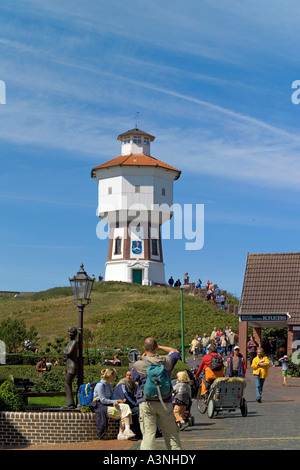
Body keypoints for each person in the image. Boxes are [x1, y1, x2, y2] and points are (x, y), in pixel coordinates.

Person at [131, 337, 182, 451]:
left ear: (144, 348)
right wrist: (159, 347)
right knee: (171, 433)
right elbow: (175, 352)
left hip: (146, 402)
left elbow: (135, 379)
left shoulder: (138, 365)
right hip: (165, 402)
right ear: (156, 347)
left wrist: (142, 359)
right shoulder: (166, 361)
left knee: (148, 434)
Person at [93, 367, 136, 440]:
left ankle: (124, 432)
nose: (115, 378)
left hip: (109, 405)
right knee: (125, 411)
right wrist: (116, 401)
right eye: (114, 376)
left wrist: (115, 402)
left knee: (125, 408)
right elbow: (103, 400)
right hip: (101, 407)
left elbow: (112, 397)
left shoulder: (109, 385)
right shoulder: (100, 385)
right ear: (110, 376)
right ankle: (123, 432)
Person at [113, 370, 141, 437]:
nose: (128, 377)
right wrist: (136, 404)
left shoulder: (133, 384)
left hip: (128, 405)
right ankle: (137, 432)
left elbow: (138, 394)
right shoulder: (123, 383)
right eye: (127, 375)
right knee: (138, 410)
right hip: (119, 405)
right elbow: (126, 396)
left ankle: (137, 431)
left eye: (130, 375)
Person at [62, 326, 78, 409]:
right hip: (68, 366)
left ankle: (70, 403)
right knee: (68, 383)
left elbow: (68, 352)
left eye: (71, 332)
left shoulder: (74, 342)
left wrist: (64, 351)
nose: (69, 334)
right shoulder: (70, 343)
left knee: (66, 383)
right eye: (68, 332)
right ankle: (70, 403)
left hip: (72, 366)